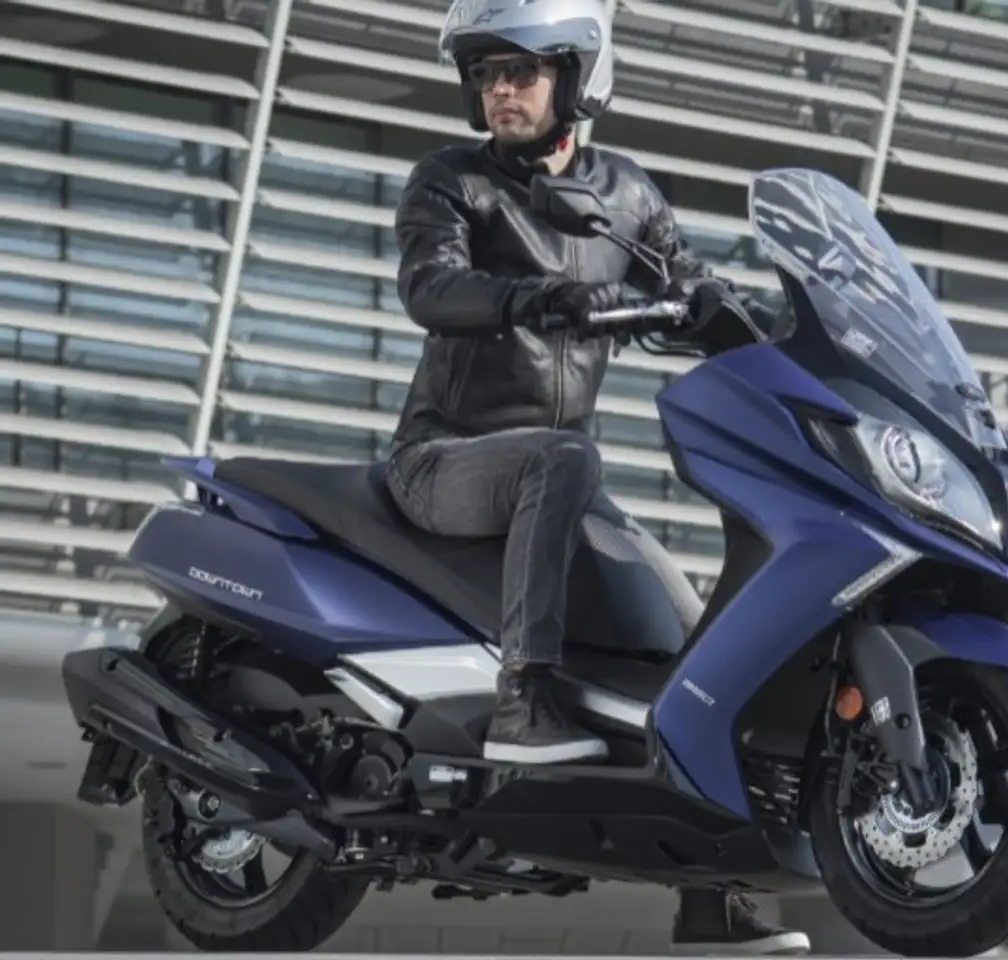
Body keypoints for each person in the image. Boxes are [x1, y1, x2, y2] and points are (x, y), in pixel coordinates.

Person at [385, 0, 810, 954]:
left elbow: (688, 282)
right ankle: (523, 702)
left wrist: (764, 324)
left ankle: (716, 892)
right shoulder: (451, 182)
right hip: (444, 459)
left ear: (576, 80)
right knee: (567, 454)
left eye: (522, 72)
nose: (500, 90)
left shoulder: (627, 195)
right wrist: (543, 296)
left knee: (683, 634)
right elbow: (430, 286)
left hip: (556, 482)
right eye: (486, 73)